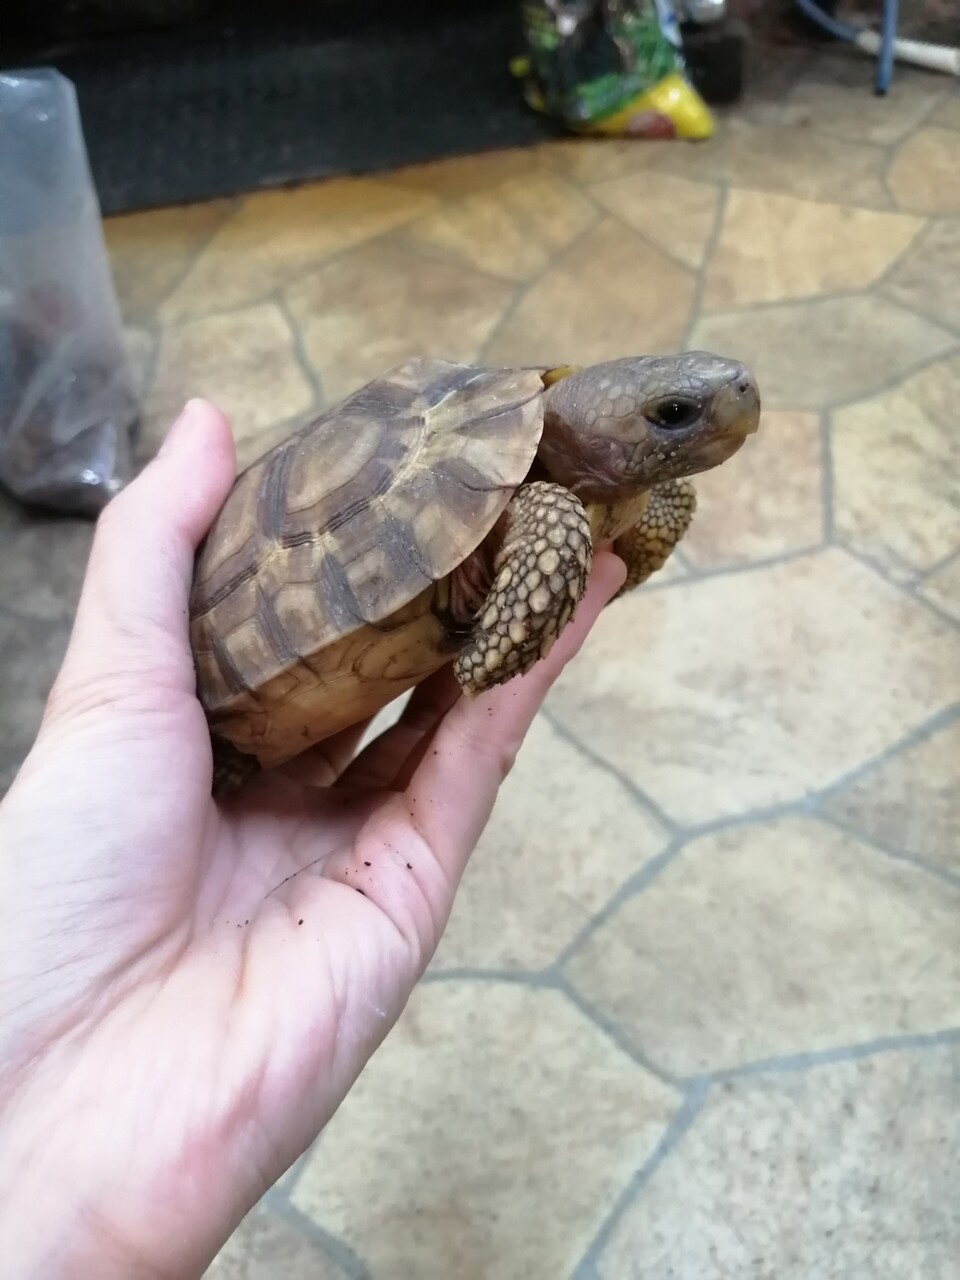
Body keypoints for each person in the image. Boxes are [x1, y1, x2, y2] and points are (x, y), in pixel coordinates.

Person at [0, 399, 626, 1278]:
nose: (715, 422)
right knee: (552, 519)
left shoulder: (571, 492)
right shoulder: (544, 507)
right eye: (673, 418)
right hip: (219, 733)